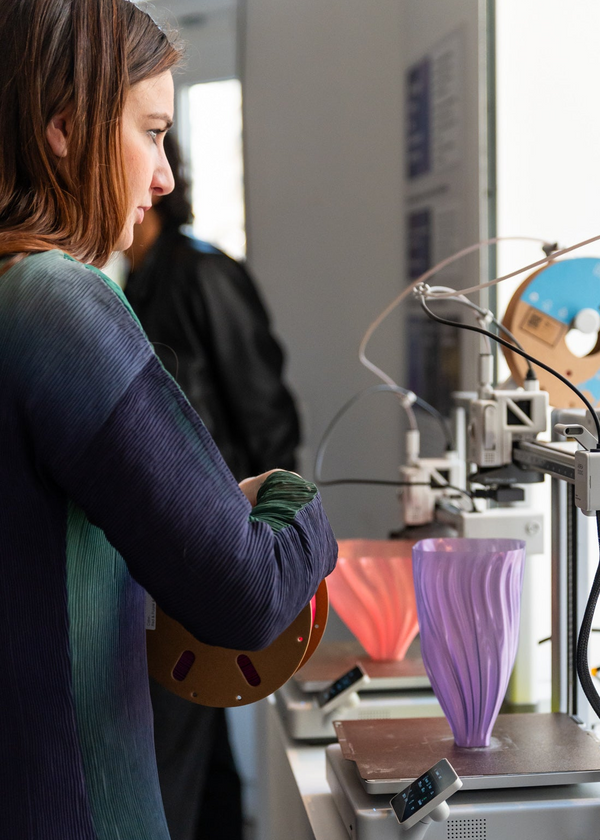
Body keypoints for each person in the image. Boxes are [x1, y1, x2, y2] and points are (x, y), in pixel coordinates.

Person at [0, 3, 338, 840]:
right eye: (151, 133)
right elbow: (248, 592)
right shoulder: (57, 305)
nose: (165, 178)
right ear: (66, 130)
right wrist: (287, 498)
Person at [124, 133, 301, 840]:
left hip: (211, 558)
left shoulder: (201, 274)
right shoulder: (134, 282)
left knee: (170, 765)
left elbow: (269, 424)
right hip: (170, 566)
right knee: (200, 762)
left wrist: (267, 560)